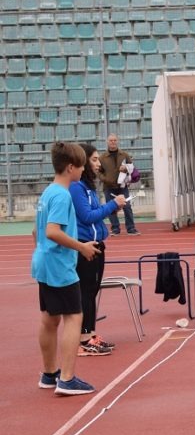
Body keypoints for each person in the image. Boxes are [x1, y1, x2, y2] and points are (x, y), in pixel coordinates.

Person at [33, 142, 102, 395]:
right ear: (71, 167)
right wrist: (81, 247)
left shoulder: (48, 192)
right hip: (59, 264)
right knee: (74, 316)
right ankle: (68, 378)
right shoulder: (62, 195)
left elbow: (36, 231)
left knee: (49, 319)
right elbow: (52, 231)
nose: (84, 169)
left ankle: (50, 374)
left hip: (44, 261)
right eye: (82, 165)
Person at [70, 143, 127, 356]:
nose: (97, 163)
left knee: (92, 291)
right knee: (85, 292)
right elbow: (86, 216)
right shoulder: (76, 188)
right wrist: (112, 206)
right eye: (93, 159)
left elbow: (94, 214)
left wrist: (111, 211)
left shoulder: (88, 187)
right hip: (84, 247)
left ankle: (91, 334)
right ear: (82, 162)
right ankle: (84, 338)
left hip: (96, 245)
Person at [98, 134, 139, 236]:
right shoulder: (102, 157)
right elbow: (98, 172)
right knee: (111, 208)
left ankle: (131, 228)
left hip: (122, 186)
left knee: (127, 206)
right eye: (111, 140)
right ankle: (115, 229)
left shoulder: (124, 155)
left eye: (115, 140)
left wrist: (126, 169)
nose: (113, 142)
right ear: (107, 142)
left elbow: (132, 167)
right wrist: (105, 179)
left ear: (118, 141)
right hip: (108, 187)